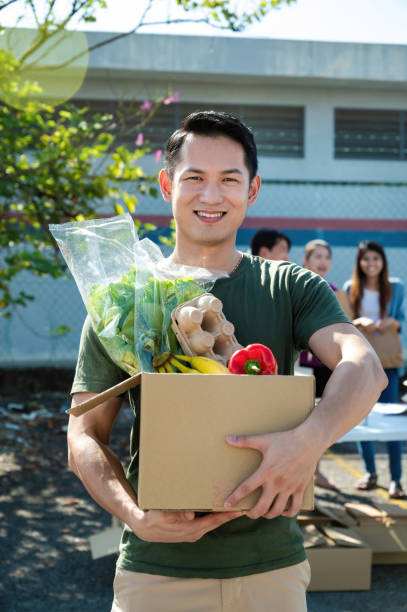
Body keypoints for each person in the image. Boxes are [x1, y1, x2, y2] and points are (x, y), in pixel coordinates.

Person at [68, 111, 387, 612]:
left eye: (229, 180)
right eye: (194, 178)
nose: (211, 196)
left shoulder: (288, 285)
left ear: (252, 190)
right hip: (156, 572)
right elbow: (83, 436)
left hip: (271, 570)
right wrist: (134, 515)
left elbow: (364, 367)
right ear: (166, 184)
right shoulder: (122, 303)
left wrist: (310, 440)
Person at [344, 240, 405, 499]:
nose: (371, 264)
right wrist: (360, 321)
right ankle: (370, 472)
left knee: (391, 417)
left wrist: (392, 321)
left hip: (388, 363)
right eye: (366, 259)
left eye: (375, 259)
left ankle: (396, 479)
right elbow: (345, 321)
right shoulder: (350, 288)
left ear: (383, 261)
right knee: (363, 418)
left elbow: (402, 318)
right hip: (361, 362)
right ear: (359, 263)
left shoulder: (396, 286)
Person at [299, 239, 339, 491]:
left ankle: (317, 470)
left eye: (326, 257)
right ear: (306, 261)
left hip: (326, 365)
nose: (322, 261)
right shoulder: (298, 288)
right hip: (304, 366)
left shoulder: (334, 290)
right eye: (317, 257)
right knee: (300, 417)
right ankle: (302, 472)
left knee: (324, 417)